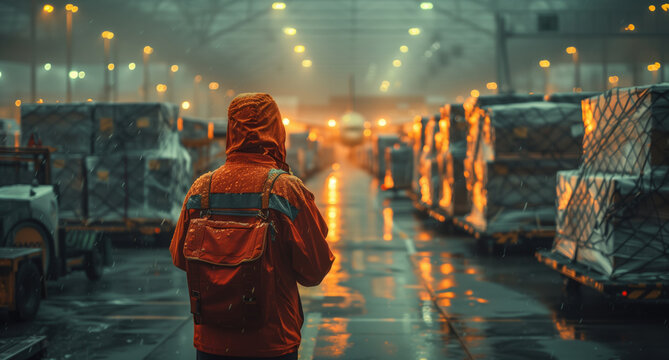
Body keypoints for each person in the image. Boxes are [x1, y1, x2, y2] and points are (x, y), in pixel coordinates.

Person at [170, 93, 334, 360]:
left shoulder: (202, 188)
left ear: (231, 132)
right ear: (277, 131)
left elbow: (180, 256)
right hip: (271, 343)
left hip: (212, 345)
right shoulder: (286, 190)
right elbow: (314, 270)